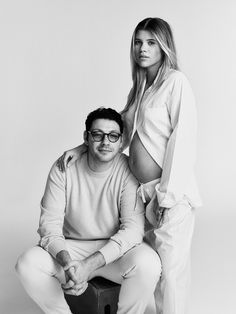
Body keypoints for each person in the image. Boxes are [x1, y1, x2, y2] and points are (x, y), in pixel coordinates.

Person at [56, 18, 202, 314]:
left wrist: (167, 196)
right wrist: (81, 148)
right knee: (152, 267)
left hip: (168, 195)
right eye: (138, 42)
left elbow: (183, 140)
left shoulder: (175, 82)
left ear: (164, 46)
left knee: (172, 275)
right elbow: (118, 130)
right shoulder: (142, 87)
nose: (142, 48)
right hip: (144, 195)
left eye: (150, 42)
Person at [15, 107, 162, 314]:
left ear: (121, 142)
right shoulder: (63, 167)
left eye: (112, 136)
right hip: (71, 249)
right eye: (97, 135)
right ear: (86, 137)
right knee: (27, 263)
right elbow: (49, 226)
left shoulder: (128, 169)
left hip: (113, 251)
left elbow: (132, 231)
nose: (105, 142)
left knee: (149, 264)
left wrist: (89, 265)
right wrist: (69, 264)